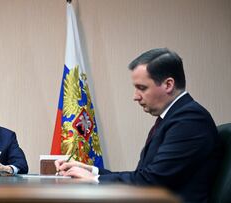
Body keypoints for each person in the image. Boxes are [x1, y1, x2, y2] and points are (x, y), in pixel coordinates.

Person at [55, 48, 221, 202]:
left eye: (142, 88)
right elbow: (143, 176)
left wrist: (94, 180)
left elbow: (152, 181)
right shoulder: (174, 117)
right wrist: (91, 171)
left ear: (168, 85)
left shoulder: (190, 120)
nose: (136, 96)